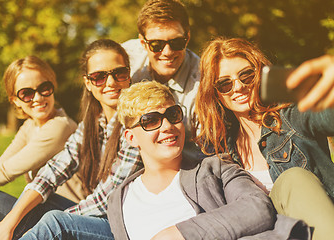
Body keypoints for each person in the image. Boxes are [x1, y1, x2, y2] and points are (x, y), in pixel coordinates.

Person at [19, 81, 310, 240]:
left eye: (172, 116)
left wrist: (177, 234)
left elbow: (256, 208)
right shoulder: (120, 198)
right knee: (53, 221)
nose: (167, 127)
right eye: (151, 121)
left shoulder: (213, 168)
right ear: (131, 138)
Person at [0, 39, 142, 240]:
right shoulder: (91, 125)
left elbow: (106, 201)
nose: (111, 83)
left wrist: (39, 227)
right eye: (99, 77)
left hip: (115, 225)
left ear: (129, 76)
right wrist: (10, 221)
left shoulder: (135, 125)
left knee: (53, 221)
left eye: (119, 73)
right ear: (88, 83)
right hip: (79, 213)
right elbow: (51, 173)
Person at [195, 37, 334, 240]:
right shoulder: (219, 149)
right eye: (225, 84)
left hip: (318, 229)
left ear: (260, 74)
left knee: (293, 179)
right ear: (215, 93)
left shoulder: (292, 117)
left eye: (246, 76)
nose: (238, 87)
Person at [0, 56, 77, 196]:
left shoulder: (61, 126)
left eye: (44, 88)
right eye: (27, 93)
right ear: (15, 100)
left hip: (68, 213)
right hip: (45, 209)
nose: (38, 98)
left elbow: (7, 171)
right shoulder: (29, 126)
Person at [122, 0, 202, 160]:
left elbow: (203, 151)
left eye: (177, 42)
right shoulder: (124, 58)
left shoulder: (203, 83)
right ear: (143, 43)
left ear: (187, 37)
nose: (167, 52)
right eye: (156, 44)